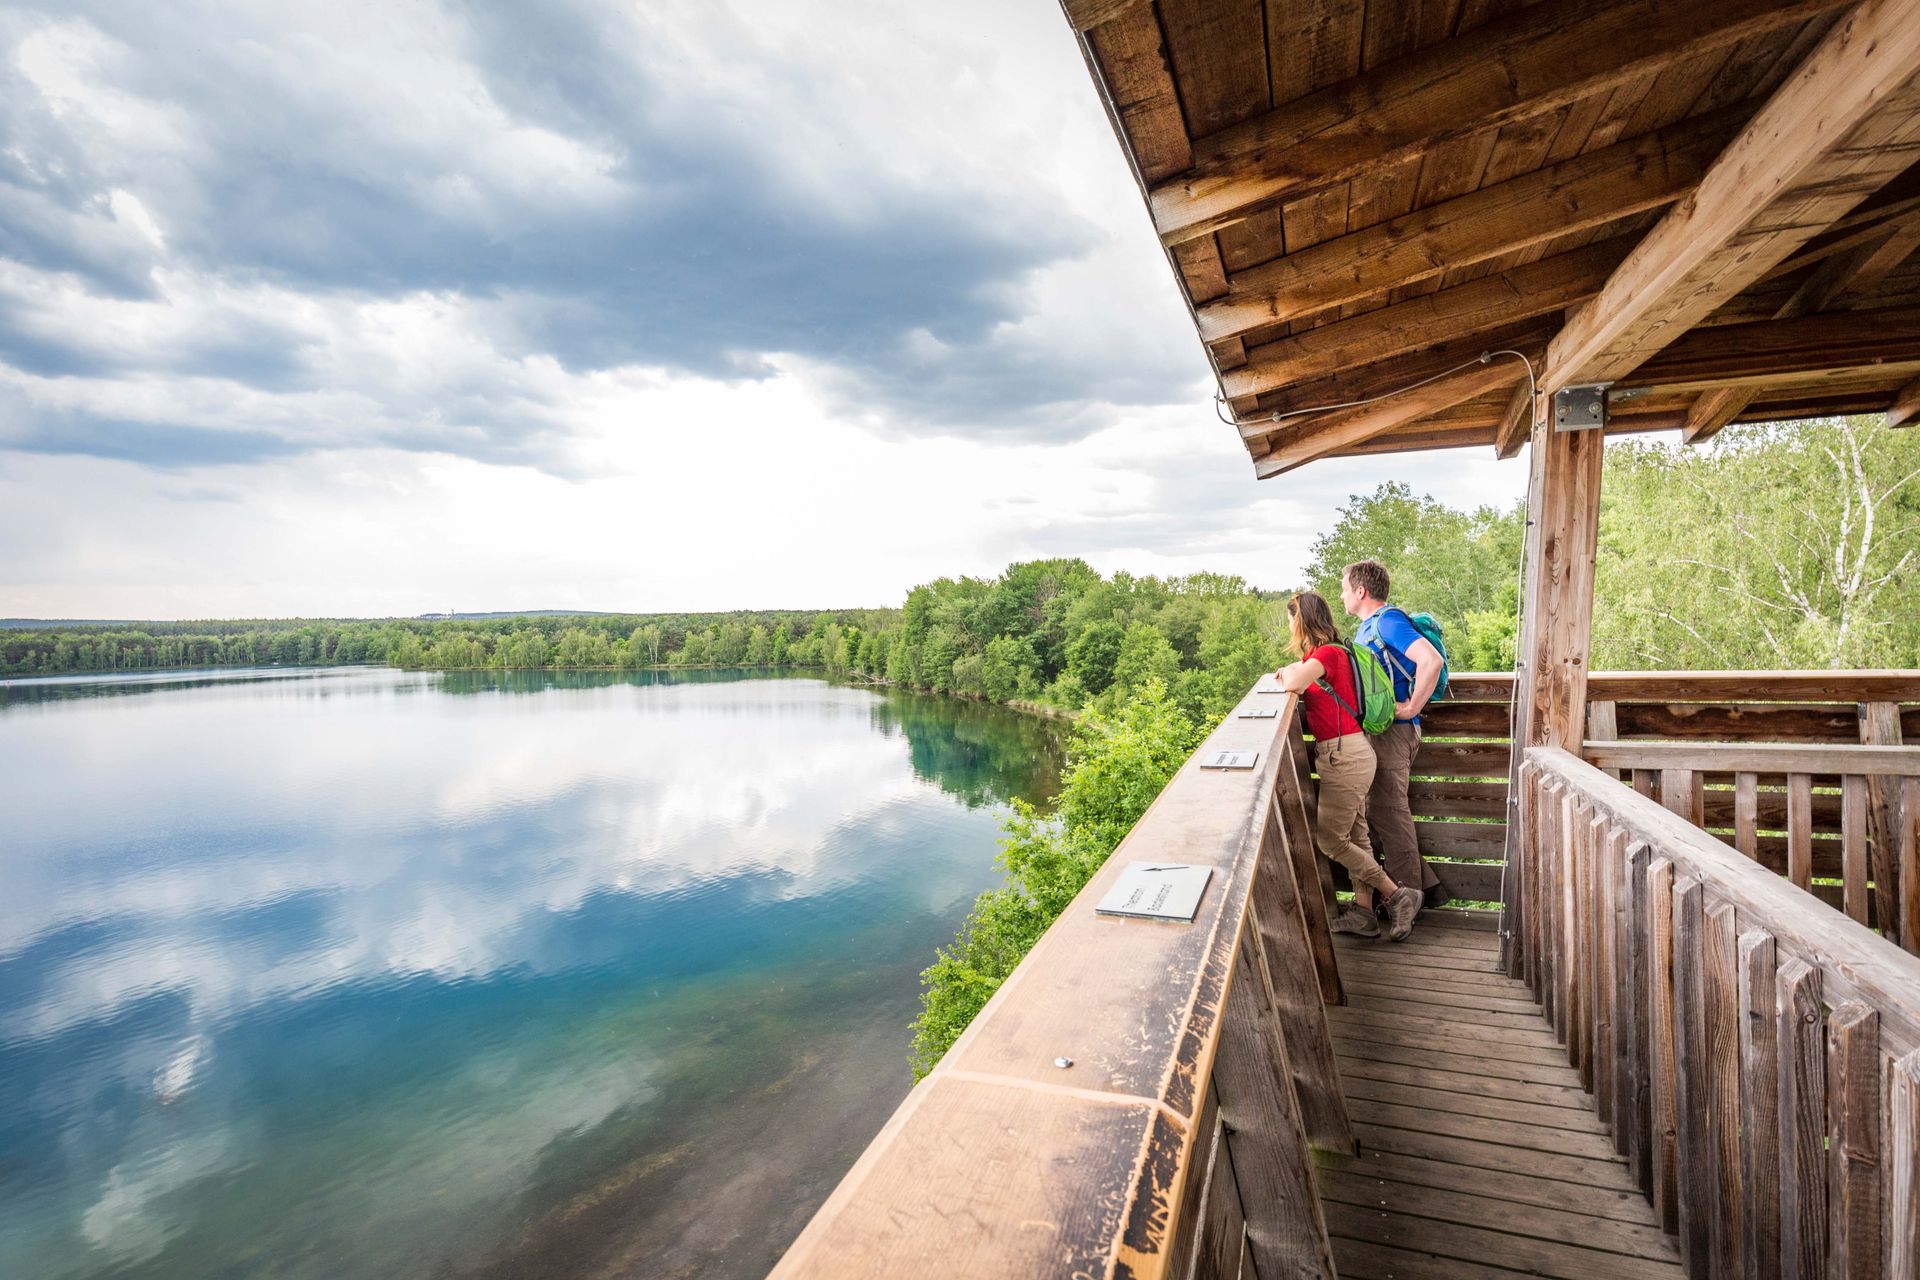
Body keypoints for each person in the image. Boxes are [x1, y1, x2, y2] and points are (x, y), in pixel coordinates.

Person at [1276, 591, 1422, 942]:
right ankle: (1363, 913)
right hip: (1350, 752)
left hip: (1345, 755)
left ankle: (1399, 895)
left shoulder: (1326, 653)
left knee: (1330, 839)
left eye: (1291, 619)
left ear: (1302, 620)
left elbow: (1295, 682)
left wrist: (1285, 672)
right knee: (1356, 835)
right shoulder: (1331, 651)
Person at [1342, 559, 1446, 908]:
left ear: (1361, 590)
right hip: (1383, 732)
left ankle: (1409, 898)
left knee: (1388, 811)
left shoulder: (1387, 621)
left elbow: (1431, 661)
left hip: (1395, 733)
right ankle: (1425, 887)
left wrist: (1412, 708)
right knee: (1377, 811)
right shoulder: (1368, 627)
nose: (1342, 595)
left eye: (1345, 588)